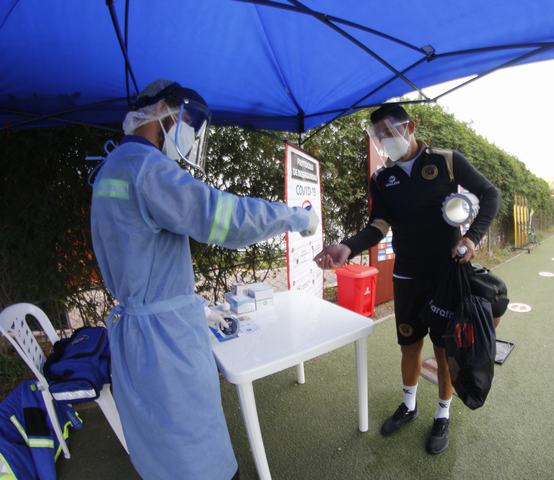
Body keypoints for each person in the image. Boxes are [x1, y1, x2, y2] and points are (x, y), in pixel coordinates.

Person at [90, 80, 318, 480]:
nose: (192, 133)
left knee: (161, 451)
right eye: (190, 121)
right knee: (196, 452)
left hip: (136, 336)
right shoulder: (149, 169)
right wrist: (297, 217)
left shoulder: (112, 167)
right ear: (162, 109)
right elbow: (225, 217)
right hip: (166, 341)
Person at [314, 104, 500, 455]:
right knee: (409, 346)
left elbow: (491, 194)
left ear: (409, 126)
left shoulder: (447, 161)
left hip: (446, 275)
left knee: (444, 350)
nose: (385, 140)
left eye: (389, 131)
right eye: (378, 135)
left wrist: (471, 238)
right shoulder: (382, 178)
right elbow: (378, 226)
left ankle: (442, 414)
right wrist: (348, 247)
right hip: (407, 276)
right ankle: (409, 405)